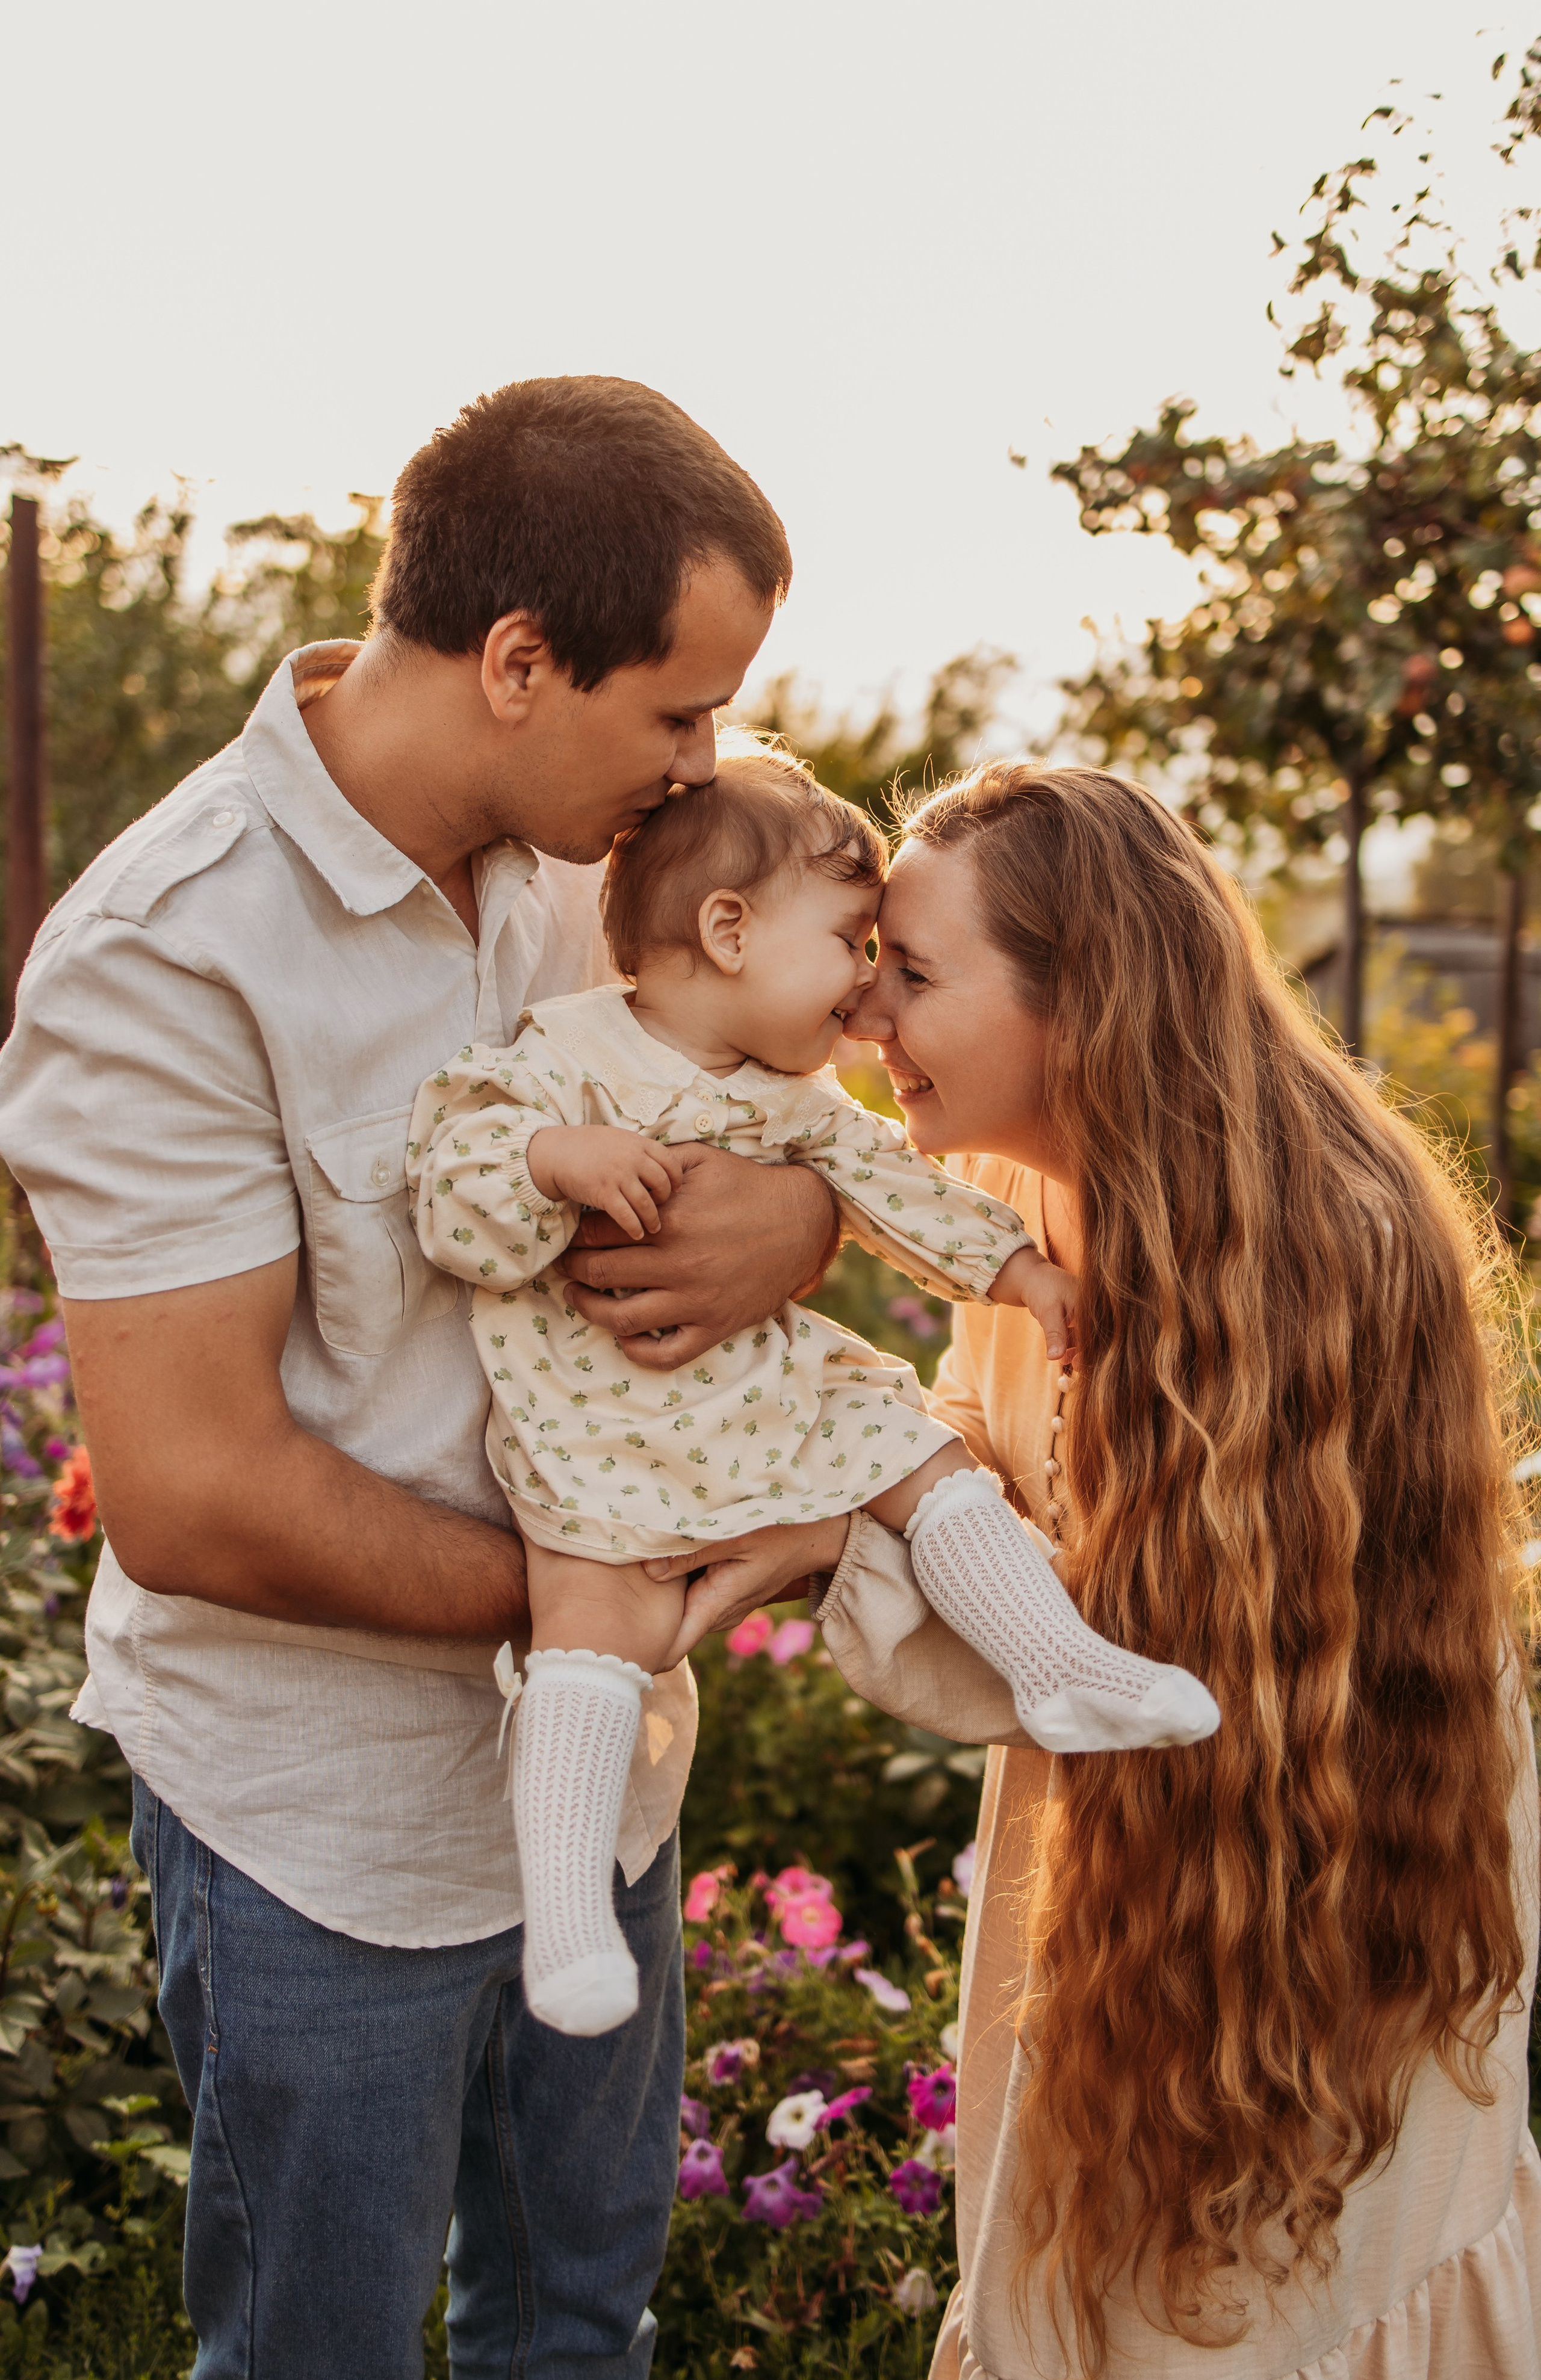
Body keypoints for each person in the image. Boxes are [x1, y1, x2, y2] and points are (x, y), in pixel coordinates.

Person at [0, 377, 851, 2379]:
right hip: (323, 1827)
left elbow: (803, 1087)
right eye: (674, 713)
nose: (705, 764)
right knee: (326, 2352)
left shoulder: (614, 863)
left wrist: (794, 1229)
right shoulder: (167, 955)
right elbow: (198, 1493)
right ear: (517, 660)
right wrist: (590, 1605)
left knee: (576, 2320)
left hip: (605, 1803)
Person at [655, 761, 1541, 2379]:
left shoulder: (1307, 1251)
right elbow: (986, 1459)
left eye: (913, 975)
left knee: (1250, 2297)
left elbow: (1145, 1665)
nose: (866, 1019)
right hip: (1147, 1890)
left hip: (1304, 1907)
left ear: (1088, 1002)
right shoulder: (1023, 1193)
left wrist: (841, 1534)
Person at [410, 745, 1218, 2036]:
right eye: (853, 944)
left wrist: (1013, 1270)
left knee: (913, 1453)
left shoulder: (801, 1099)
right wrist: (555, 1160)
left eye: (895, 962)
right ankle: (560, 1917)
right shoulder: (560, 1053)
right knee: (585, 1618)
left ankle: (1060, 1662)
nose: (862, 992)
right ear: (726, 929)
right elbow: (458, 1192)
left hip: (765, 1396)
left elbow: (899, 1192)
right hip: (592, 1418)